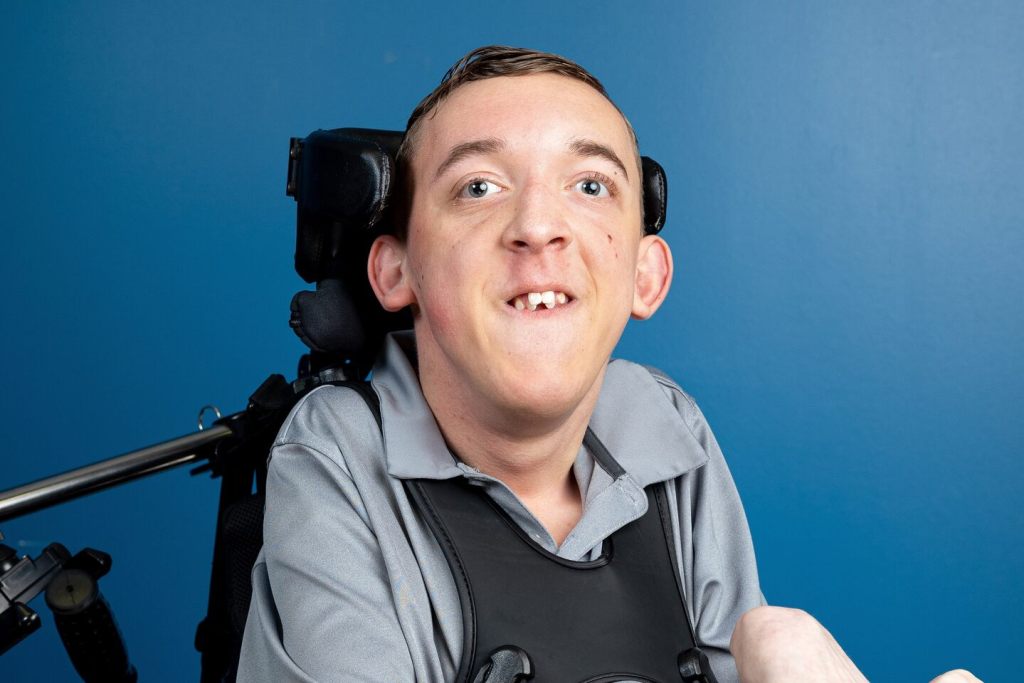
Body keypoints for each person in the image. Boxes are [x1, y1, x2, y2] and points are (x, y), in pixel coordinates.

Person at [238, 46, 979, 683]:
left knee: (784, 641)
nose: (538, 226)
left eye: (589, 186)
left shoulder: (662, 425)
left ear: (644, 278)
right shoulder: (337, 452)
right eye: (479, 187)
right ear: (397, 271)